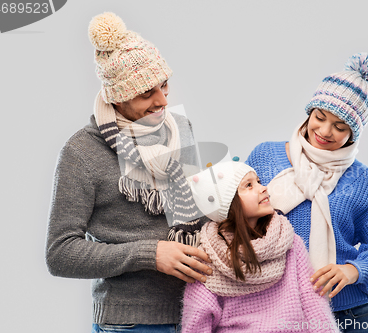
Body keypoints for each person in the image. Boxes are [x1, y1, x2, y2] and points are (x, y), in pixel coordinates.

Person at [45, 12, 212, 333]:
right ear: (117, 96)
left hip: (198, 310)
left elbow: (194, 211)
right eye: (146, 93)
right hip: (131, 322)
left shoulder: (179, 127)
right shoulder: (81, 151)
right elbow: (59, 253)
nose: (162, 101)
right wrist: (150, 254)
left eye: (164, 86)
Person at [246, 53, 368, 332]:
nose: (324, 131)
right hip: (273, 310)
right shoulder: (265, 157)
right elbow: (232, 217)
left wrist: (353, 271)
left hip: (349, 315)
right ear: (310, 112)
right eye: (319, 117)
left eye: (340, 126)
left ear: (353, 135)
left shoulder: (363, 181)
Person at [181, 161, 340, 333]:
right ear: (227, 204)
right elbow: (197, 321)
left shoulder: (289, 243)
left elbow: (314, 305)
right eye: (249, 185)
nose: (263, 187)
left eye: (258, 181)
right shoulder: (208, 258)